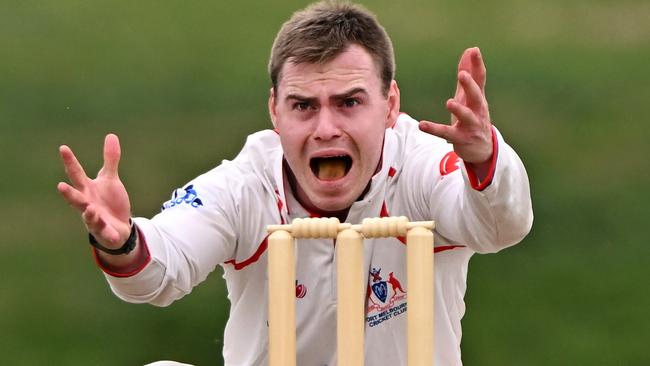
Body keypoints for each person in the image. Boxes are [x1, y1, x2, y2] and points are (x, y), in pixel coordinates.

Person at [57, 1, 533, 365]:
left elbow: (500, 226)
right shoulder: (246, 183)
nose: (326, 128)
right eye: (304, 105)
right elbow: (157, 274)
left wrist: (485, 159)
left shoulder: (423, 167)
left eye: (349, 102)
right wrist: (121, 241)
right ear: (275, 111)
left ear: (390, 105)